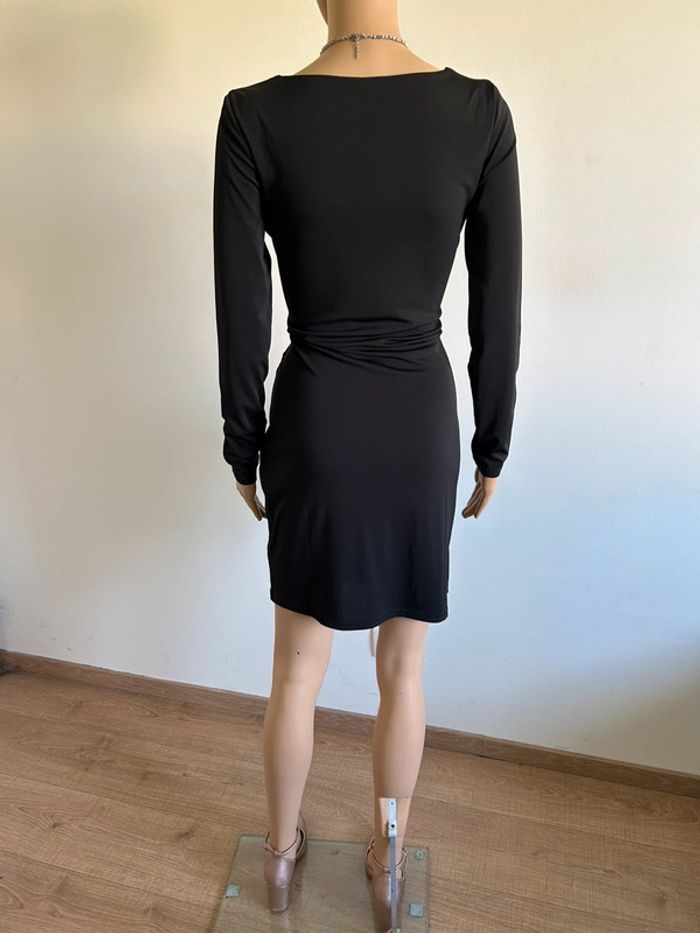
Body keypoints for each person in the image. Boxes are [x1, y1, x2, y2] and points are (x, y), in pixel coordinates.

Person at [212, 0, 522, 926]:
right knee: (404, 668)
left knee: (295, 670)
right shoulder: (476, 112)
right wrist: (492, 443)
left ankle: (278, 859)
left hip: (316, 417)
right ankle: (387, 861)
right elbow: (497, 301)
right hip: (417, 421)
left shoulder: (256, 115)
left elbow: (242, 302)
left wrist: (242, 440)